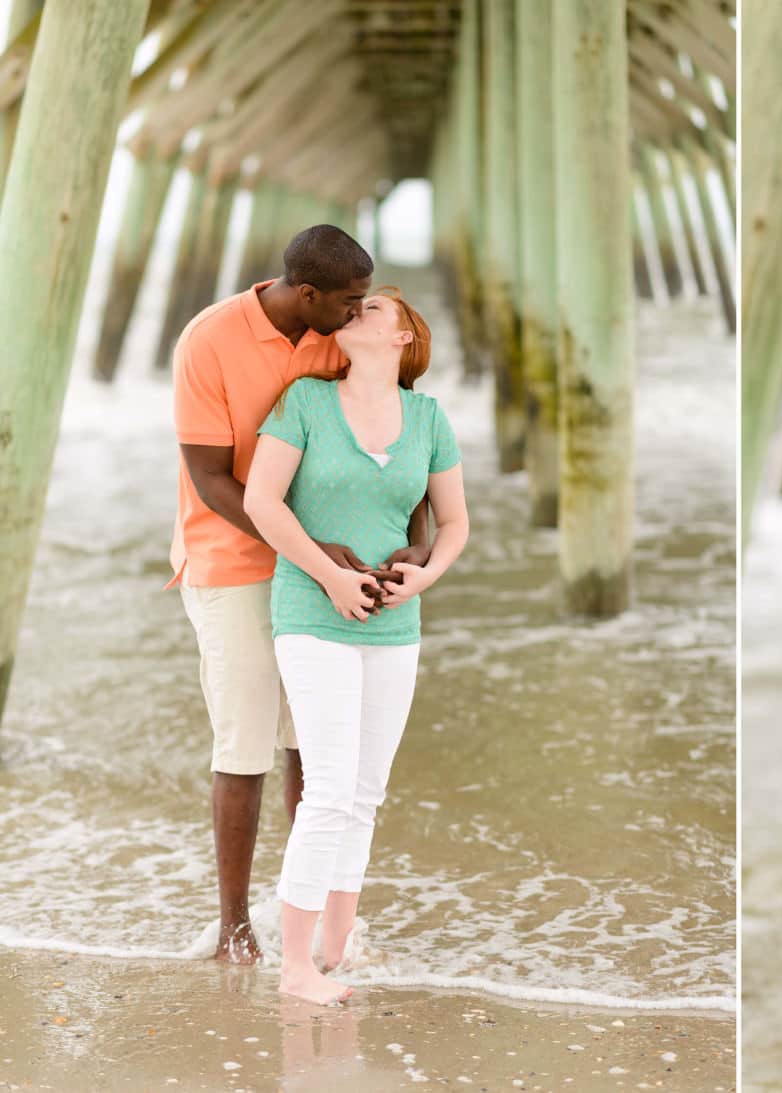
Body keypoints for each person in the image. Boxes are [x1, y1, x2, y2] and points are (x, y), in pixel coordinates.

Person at [171, 226, 431, 964]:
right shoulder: (208, 340)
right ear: (308, 295)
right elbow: (211, 477)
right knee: (245, 745)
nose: (359, 315)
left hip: (325, 567)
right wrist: (315, 555)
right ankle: (232, 926)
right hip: (230, 562)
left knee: (311, 750)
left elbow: (400, 445)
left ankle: (310, 918)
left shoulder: (334, 335)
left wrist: (406, 541)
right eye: (349, 302)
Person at [244, 287, 468, 1005]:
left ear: (404, 338)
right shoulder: (305, 402)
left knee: (365, 792)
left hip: (394, 624)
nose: (357, 310)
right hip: (311, 612)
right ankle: (295, 964)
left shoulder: (429, 418)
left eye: (375, 308)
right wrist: (330, 577)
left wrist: (424, 577)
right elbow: (262, 503)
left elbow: (455, 521)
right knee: (329, 788)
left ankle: (336, 946)